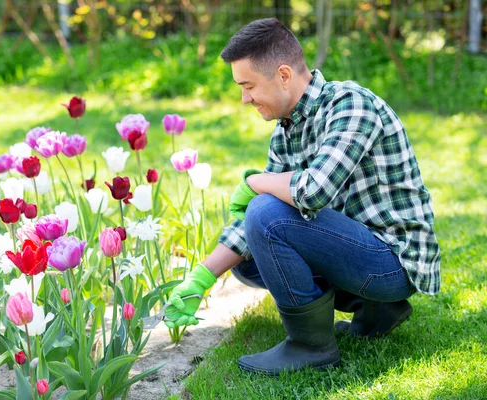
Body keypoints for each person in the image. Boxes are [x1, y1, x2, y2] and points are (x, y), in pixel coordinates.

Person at [163, 17, 441, 376]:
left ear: (283, 75)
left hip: (393, 261)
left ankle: (310, 346)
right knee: (248, 258)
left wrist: (255, 182)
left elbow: (312, 191)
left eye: (248, 86)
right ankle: (375, 310)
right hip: (356, 251)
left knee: (265, 213)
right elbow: (256, 217)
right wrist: (201, 278)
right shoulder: (286, 128)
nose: (244, 99)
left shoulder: (350, 105)